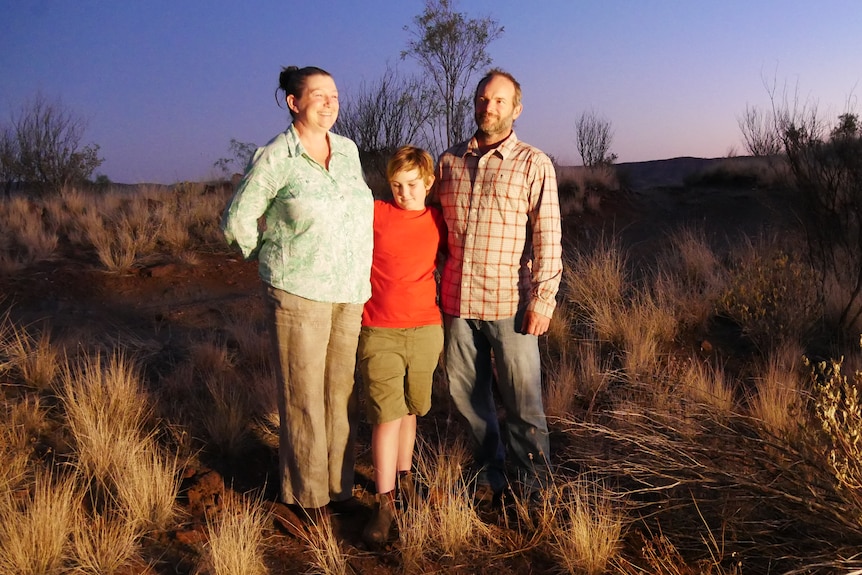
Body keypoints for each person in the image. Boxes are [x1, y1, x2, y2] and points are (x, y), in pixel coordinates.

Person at [221, 66, 373, 520]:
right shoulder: (276, 156)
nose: (329, 103)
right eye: (318, 95)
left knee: (340, 393)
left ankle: (339, 487)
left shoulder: (347, 151)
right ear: (294, 103)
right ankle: (309, 498)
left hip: (349, 291)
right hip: (299, 292)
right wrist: (270, 256)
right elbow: (236, 220)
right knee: (303, 396)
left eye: (334, 95)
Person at [436, 68, 562, 503]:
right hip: (456, 301)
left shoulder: (533, 163)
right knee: (468, 398)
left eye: (499, 101)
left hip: (509, 303)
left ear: (516, 109)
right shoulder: (448, 162)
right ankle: (490, 473)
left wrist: (543, 300)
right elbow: (434, 229)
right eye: (483, 99)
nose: (489, 108)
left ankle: (534, 488)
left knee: (523, 403)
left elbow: (548, 235)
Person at [358, 146, 446, 544]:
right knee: (386, 415)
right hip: (380, 330)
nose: (404, 193)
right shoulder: (376, 213)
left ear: (428, 183)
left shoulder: (438, 221)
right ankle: (384, 502)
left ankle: (406, 479)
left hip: (426, 329)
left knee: (411, 409)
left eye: (412, 184)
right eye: (396, 185)